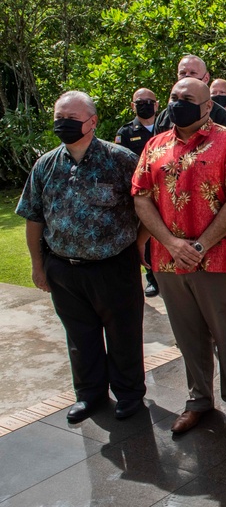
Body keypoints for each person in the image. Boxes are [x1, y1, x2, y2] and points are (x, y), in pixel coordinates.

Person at [133, 77, 226, 436]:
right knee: (187, 334)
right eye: (174, 97)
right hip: (168, 259)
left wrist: (200, 245)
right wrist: (172, 243)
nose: (178, 103)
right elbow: (141, 196)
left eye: (187, 98)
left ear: (207, 106)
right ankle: (198, 400)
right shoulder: (155, 146)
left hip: (220, 258)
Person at [17, 91, 148, 424]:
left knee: (124, 334)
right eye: (59, 118)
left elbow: (147, 209)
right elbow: (34, 217)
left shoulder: (120, 160)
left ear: (92, 121)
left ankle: (129, 394)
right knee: (79, 337)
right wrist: (38, 265)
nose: (63, 125)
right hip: (64, 268)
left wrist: (139, 246)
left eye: (71, 119)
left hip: (114, 266)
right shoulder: (45, 165)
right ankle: (89, 395)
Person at [116, 87, 160, 297]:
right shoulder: (125, 133)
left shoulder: (168, 126)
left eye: (149, 101)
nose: (145, 105)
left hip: (166, 191)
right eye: (140, 102)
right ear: (133, 106)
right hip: (142, 193)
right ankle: (152, 278)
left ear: (157, 104)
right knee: (146, 235)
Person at [153, 55, 226, 133]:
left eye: (193, 73)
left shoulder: (222, 118)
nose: (187, 77)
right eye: (183, 73)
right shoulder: (164, 118)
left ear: (206, 78)